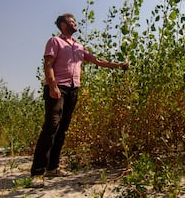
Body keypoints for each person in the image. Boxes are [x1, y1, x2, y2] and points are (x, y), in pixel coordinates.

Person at [30, 13, 128, 188]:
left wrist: (118, 65)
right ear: (63, 24)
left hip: (73, 89)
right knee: (51, 125)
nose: (75, 24)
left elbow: (97, 60)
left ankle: (53, 167)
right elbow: (48, 64)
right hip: (57, 87)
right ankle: (38, 173)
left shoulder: (78, 47)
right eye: (72, 22)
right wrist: (52, 86)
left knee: (63, 128)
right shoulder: (55, 41)